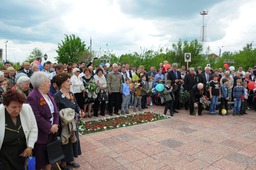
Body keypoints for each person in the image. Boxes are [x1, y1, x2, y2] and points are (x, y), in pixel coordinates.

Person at [26, 72, 60, 170]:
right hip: (42, 134)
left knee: (50, 157)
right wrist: (49, 128)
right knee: (41, 160)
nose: (50, 83)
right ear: (40, 84)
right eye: (47, 81)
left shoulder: (49, 94)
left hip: (53, 132)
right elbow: (36, 117)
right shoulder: (32, 97)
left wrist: (56, 125)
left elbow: (56, 111)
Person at [0, 89, 38, 170]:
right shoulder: (0, 112)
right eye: (14, 107)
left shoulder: (27, 109)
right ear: (6, 105)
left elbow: (34, 129)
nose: (17, 110)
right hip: (4, 156)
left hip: (22, 154)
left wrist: (29, 147)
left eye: (20, 106)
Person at [54, 73, 82, 169]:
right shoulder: (57, 96)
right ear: (62, 83)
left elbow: (76, 105)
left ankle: (71, 160)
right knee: (66, 142)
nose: (70, 83)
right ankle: (63, 163)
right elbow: (56, 111)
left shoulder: (71, 94)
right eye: (68, 81)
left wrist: (79, 111)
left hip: (73, 122)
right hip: (64, 125)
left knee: (74, 140)